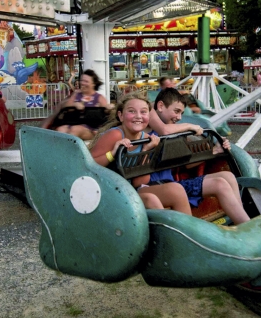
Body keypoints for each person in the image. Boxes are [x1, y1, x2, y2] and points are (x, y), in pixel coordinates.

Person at [149, 88, 250, 225]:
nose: (179, 117)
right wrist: (190, 126)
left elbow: (186, 164)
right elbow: (162, 127)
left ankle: (240, 219)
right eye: (176, 111)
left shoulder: (174, 133)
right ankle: (247, 227)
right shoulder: (149, 125)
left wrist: (215, 150)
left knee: (228, 176)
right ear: (160, 106)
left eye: (181, 113)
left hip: (173, 183)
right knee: (219, 184)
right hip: (160, 186)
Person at [90, 92, 189, 212]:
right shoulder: (115, 135)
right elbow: (87, 166)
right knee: (151, 199)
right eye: (132, 111)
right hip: (107, 190)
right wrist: (113, 153)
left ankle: (186, 225)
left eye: (143, 112)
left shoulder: (145, 138)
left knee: (176, 190)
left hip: (129, 189)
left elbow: (139, 182)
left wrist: (146, 150)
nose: (138, 116)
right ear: (121, 116)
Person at [42, 69, 112, 141]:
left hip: (91, 128)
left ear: (93, 84)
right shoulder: (76, 94)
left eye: (86, 81)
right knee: (61, 129)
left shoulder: (99, 97)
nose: (82, 83)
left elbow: (106, 113)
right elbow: (65, 106)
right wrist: (74, 104)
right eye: (82, 81)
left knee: (75, 129)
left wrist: (109, 108)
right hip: (72, 123)